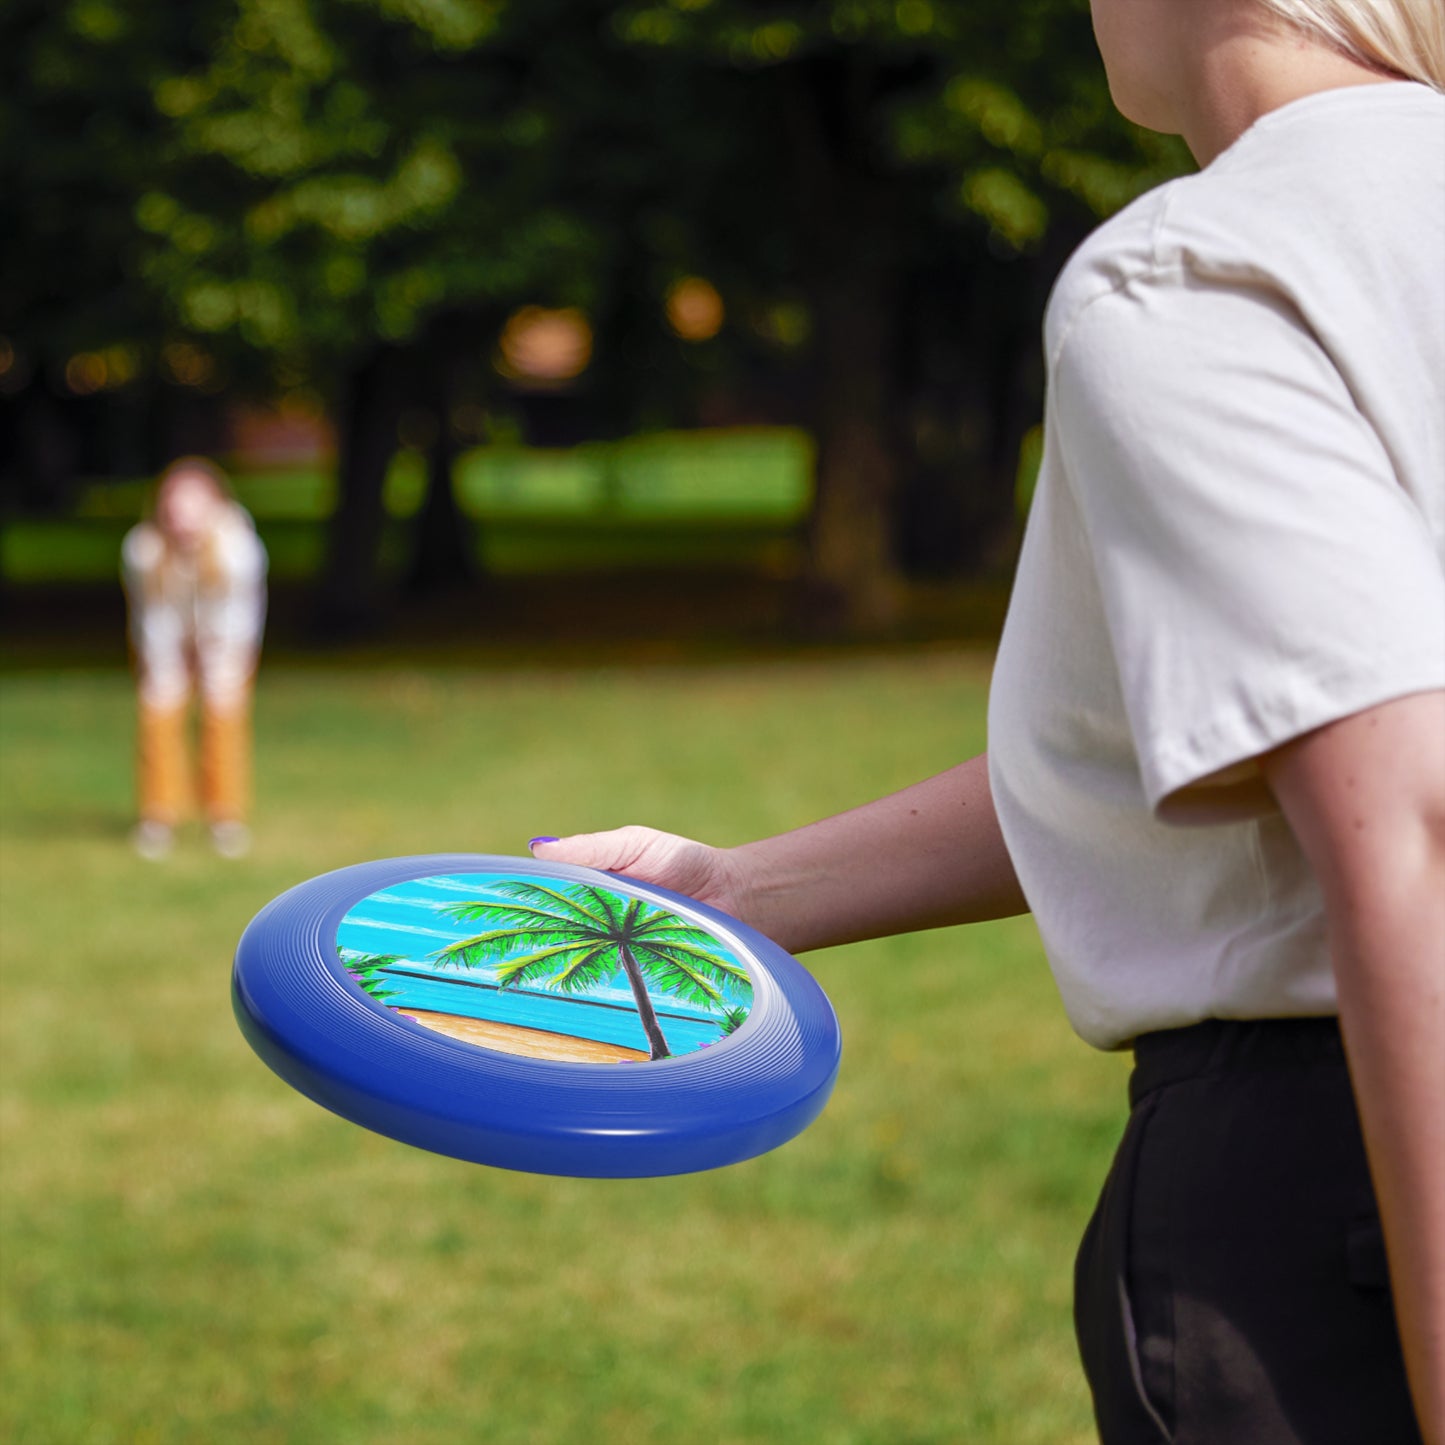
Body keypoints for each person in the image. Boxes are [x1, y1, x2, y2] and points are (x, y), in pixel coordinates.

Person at [528, 2, 1445, 1440]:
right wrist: (739, 890)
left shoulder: (1204, 269)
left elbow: (1409, 822)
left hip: (1342, 1192)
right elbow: (1219, 740)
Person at [121, 457, 268, 860]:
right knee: (158, 712)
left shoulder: (239, 549)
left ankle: (225, 818)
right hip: (165, 640)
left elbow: (239, 616)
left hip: (226, 641)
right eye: (174, 506)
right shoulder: (143, 549)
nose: (182, 517)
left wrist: (215, 659)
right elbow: (152, 616)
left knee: (223, 717)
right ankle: (158, 816)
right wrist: (168, 665)